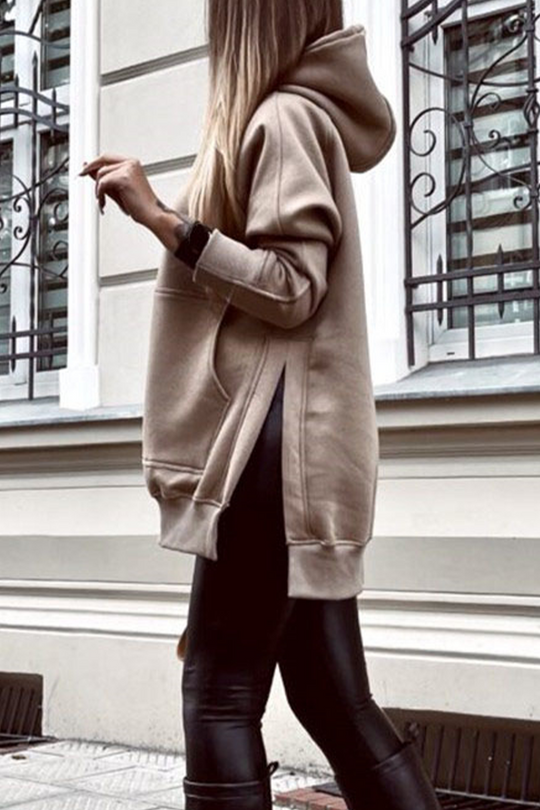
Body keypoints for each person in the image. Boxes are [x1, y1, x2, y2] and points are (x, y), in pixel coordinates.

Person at [79, 2, 441, 808]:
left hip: (271, 449)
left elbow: (291, 286)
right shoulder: (296, 115)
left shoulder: (285, 118)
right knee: (330, 696)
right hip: (289, 445)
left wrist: (165, 222)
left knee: (219, 692)